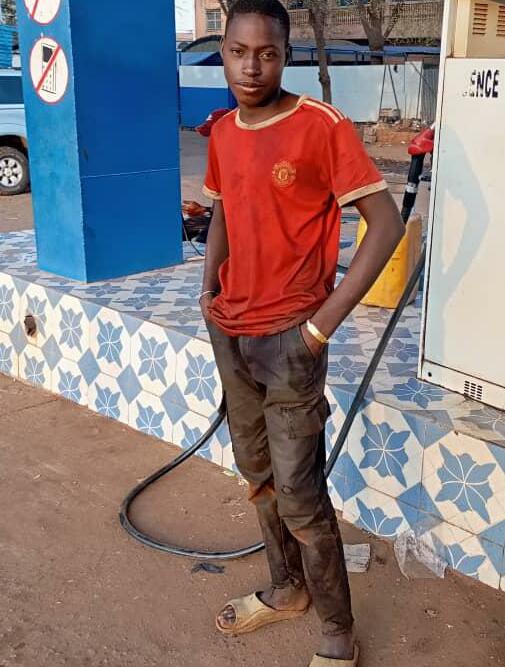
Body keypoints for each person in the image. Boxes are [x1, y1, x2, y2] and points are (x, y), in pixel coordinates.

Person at [200, 1, 404, 664]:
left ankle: (337, 633)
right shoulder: (223, 130)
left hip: (291, 339)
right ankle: (287, 588)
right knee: (256, 472)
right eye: (238, 52)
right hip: (230, 332)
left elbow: (386, 225)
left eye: (267, 53)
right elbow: (222, 210)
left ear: (285, 55)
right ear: (223, 52)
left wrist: (318, 328)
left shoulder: (320, 125)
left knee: (299, 491)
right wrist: (207, 290)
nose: (251, 67)